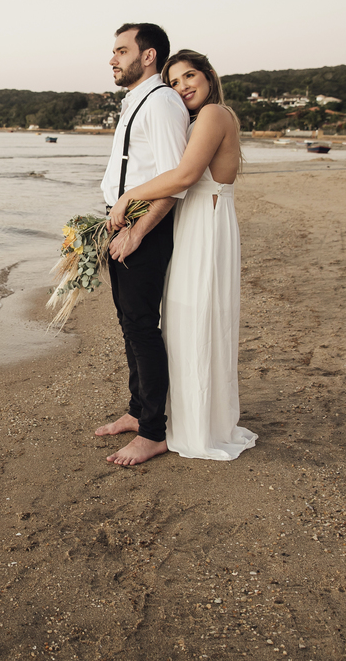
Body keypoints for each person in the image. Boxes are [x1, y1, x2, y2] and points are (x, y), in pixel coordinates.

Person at [108, 50, 257, 461]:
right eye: (174, 82)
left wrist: (129, 196)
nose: (183, 86)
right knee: (181, 325)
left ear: (209, 76)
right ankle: (175, 417)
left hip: (205, 228)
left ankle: (187, 427)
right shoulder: (195, 120)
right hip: (192, 224)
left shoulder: (214, 115)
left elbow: (186, 175)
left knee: (195, 321)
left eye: (190, 76)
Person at [93, 23, 189, 466]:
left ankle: (153, 432)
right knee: (129, 323)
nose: (112, 59)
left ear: (148, 56)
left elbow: (175, 179)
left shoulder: (163, 103)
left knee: (142, 327)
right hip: (123, 223)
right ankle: (138, 411)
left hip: (143, 228)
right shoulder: (138, 101)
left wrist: (138, 231)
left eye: (120, 50)